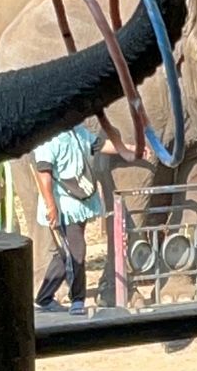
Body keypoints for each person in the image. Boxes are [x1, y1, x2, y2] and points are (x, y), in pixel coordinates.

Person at [31, 124, 127, 317]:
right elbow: (43, 174)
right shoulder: (48, 140)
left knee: (66, 253)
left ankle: (44, 298)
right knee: (77, 251)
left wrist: (130, 149)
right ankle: (77, 299)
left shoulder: (78, 132)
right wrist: (51, 206)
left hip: (79, 202)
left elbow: (99, 145)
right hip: (63, 207)